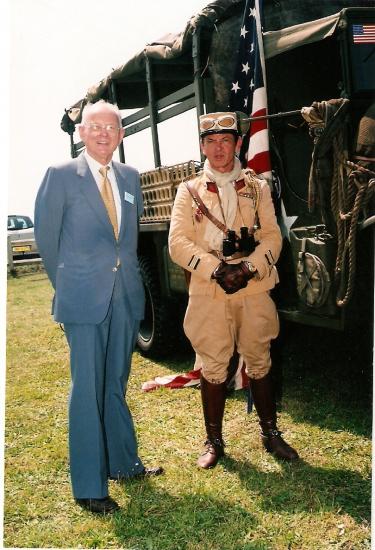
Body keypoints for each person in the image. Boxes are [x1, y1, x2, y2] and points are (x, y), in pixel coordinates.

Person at [34, 100, 163, 514]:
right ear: (82, 133)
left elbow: (127, 239)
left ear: (121, 135)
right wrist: (69, 288)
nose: (104, 133)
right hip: (82, 300)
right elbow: (47, 242)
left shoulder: (129, 177)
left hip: (124, 296)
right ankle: (90, 486)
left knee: (115, 385)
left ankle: (124, 464)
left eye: (112, 127)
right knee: (87, 389)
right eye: (95, 127)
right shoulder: (59, 176)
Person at [168, 111, 299, 469]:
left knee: (259, 359)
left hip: (252, 287)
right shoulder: (188, 191)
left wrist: (248, 267)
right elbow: (177, 243)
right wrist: (216, 269)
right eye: (210, 141)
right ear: (202, 146)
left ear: (238, 143)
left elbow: (273, 236)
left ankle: (270, 433)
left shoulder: (258, 188)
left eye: (225, 140)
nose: (218, 148)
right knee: (213, 364)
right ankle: (213, 441)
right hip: (210, 291)